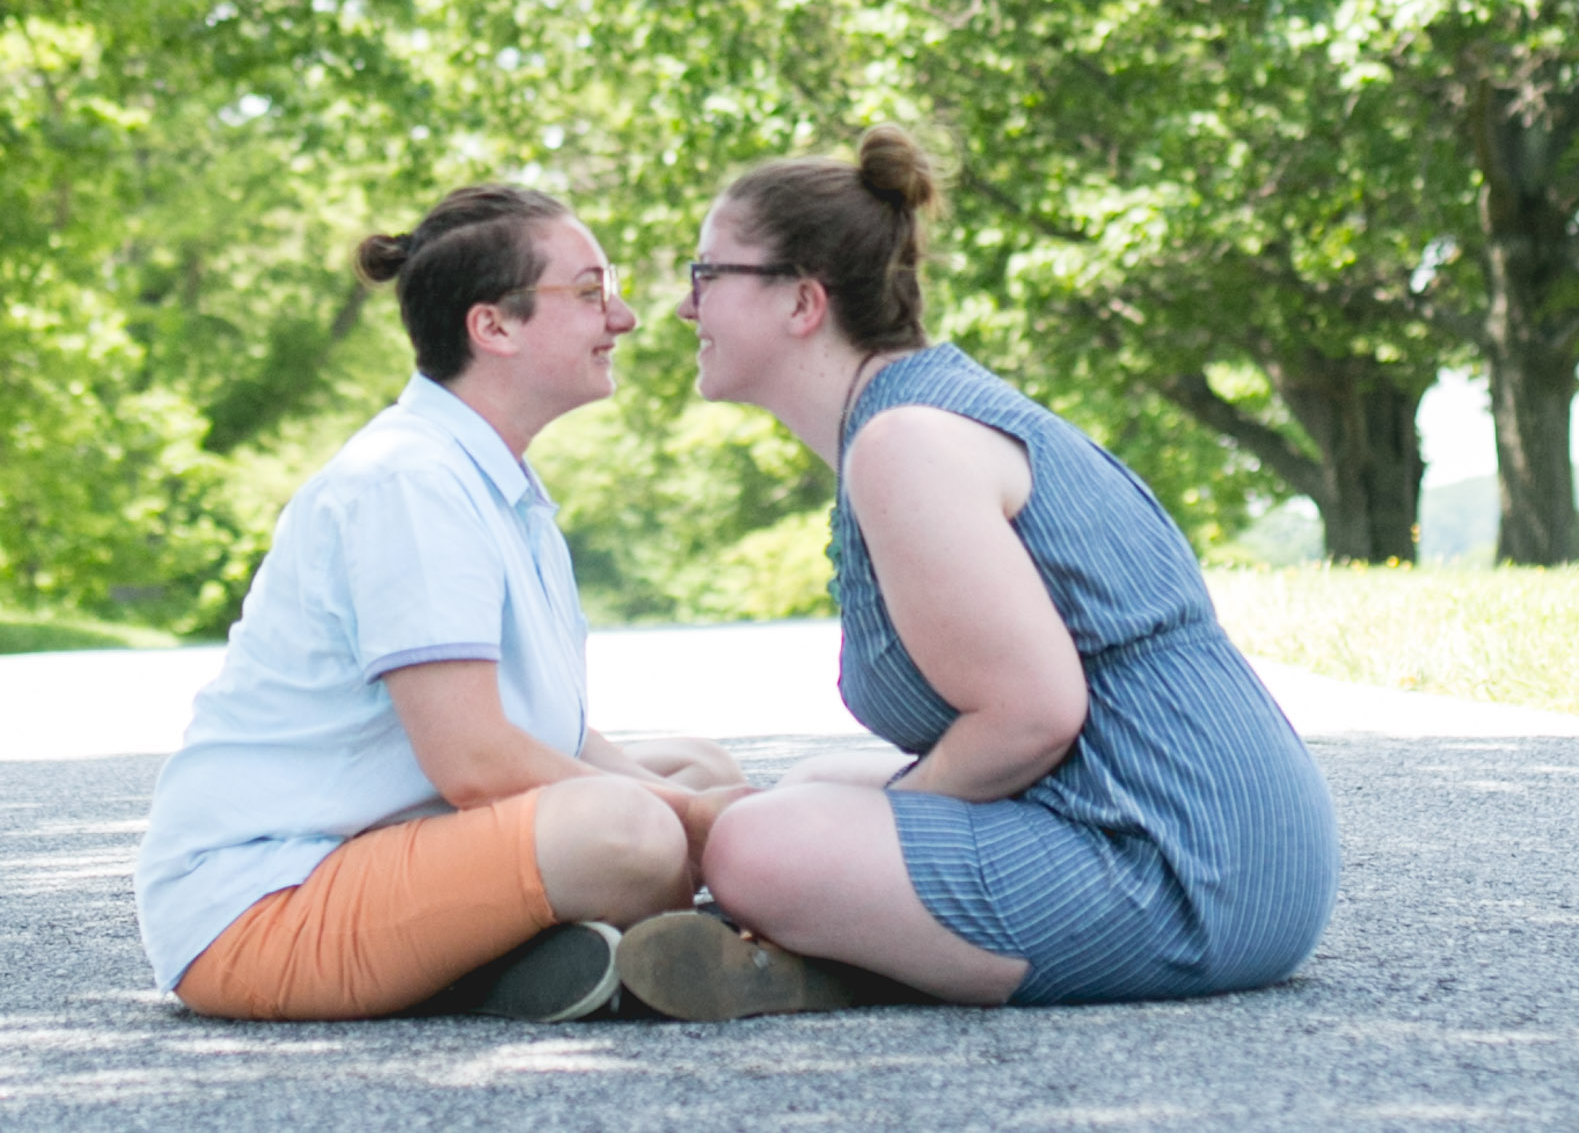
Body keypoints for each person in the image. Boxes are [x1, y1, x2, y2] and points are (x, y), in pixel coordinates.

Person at [614, 128, 1340, 1022]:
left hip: (1184, 869)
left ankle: (827, 953)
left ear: (802, 302)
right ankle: (837, 952)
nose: (687, 309)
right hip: (1226, 846)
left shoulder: (905, 441)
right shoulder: (907, 418)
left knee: (760, 845)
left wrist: (876, 831)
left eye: (705, 275)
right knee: (808, 785)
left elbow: (1032, 718)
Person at [135, 183, 744, 1024]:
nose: (627, 317)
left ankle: (543, 956)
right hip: (266, 908)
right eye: (592, 291)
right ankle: (531, 957)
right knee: (634, 833)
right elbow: (475, 763)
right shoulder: (409, 481)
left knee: (696, 769)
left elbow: (539, 730)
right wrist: (692, 825)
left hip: (380, 852)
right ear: (492, 326)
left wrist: (694, 802)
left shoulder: (489, 479)